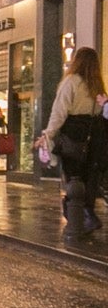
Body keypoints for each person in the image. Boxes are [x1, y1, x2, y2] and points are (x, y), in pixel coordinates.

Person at [39, 45, 108, 239]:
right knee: (89, 176)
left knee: (73, 177)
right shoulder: (97, 86)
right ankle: (86, 215)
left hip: (74, 134)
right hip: (95, 135)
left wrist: (48, 134)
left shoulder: (71, 82)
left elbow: (59, 112)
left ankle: (81, 218)